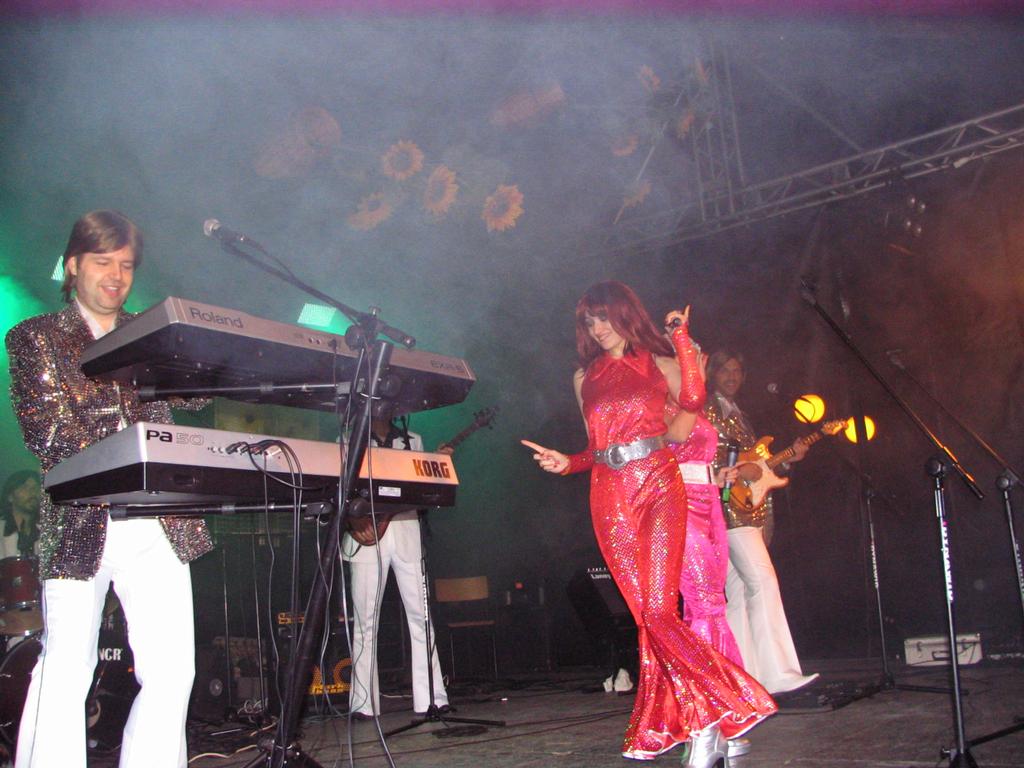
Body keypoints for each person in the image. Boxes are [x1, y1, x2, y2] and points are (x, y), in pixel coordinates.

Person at [523, 282, 775, 766]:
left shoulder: (657, 364)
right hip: (609, 495)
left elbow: (694, 400)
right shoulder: (583, 377)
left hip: (659, 485)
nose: (597, 328)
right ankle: (708, 722)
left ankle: (711, 720)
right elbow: (595, 449)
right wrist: (567, 462)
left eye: (603, 317)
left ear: (625, 314)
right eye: (589, 321)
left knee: (661, 614)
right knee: (646, 619)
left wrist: (681, 339)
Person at [5, 210, 213, 768]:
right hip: (81, 518)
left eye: (125, 265)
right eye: (103, 262)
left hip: (159, 520)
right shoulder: (36, 337)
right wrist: (131, 457)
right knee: (67, 666)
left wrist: (199, 343)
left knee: (173, 670)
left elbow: (197, 395)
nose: (116, 276)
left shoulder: (149, 333)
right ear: (73, 265)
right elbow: (47, 433)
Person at [704, 350, 818, 695]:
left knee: (739, 591)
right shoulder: (709, 409)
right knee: (763, 581)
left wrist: (787, 459)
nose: (732, 376)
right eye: (725, 370)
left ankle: (743, 676)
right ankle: (779, 672)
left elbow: (758, 468)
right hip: (729, 508)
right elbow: (709, 454)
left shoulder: (738, 413)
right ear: (712, 374)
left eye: (737, 370)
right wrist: (742, 468)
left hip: (744, 508)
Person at [341, 415, 450, 719]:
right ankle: (363, 703)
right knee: (365, 623)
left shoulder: (412, 440)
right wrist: (353, 521)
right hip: (365, 534)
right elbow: (340, 489)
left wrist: (439, 465)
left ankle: (433, 698)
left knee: (421, 618)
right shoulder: (349, 439)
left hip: (406, 532)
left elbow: (423, 490)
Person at [1, 470, 41, 559]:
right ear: (10, 497)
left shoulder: (47, 532)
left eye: (36, 487)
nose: (33, 492)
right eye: (25, 487)